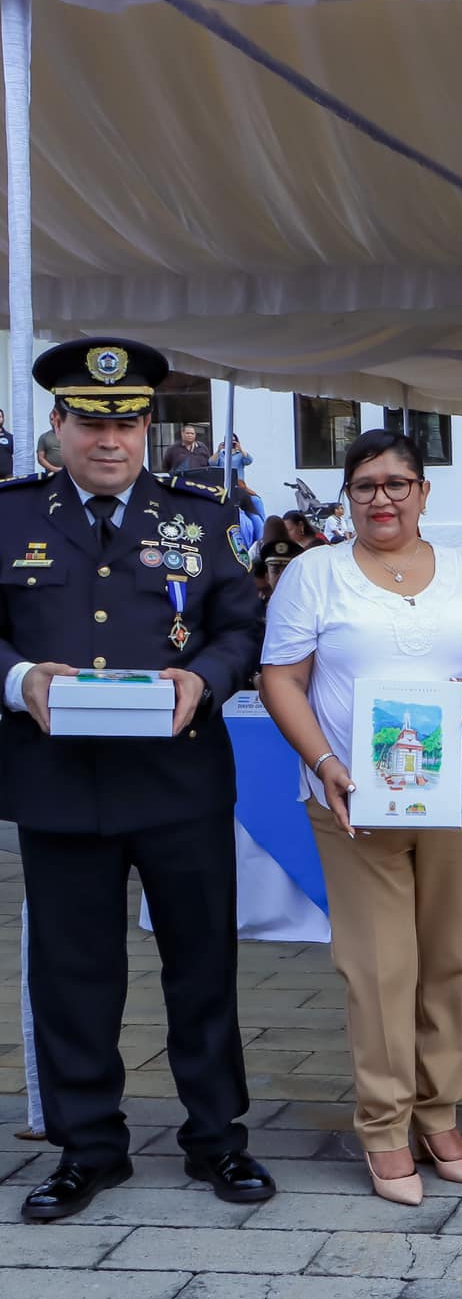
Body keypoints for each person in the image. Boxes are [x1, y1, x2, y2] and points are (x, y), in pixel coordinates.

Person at [0, 338, 272, 1220]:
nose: (107, 440)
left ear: (148, 424)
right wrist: (20, 678)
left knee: (202, 967)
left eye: (124, 421)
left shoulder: (201, 513)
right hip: (58, 781)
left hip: (178, 778)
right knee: (72, 974)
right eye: (88, 422)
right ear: (57, 425)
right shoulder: (9, 516)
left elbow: (243, 626)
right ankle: (88, 1149)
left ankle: (216, 1140)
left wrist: (207, 679)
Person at [259, 429, 462, 1204]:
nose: (383, 498)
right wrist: (326, 765)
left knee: (444, 961)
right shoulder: (315, 573)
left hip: (459, 794)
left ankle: (439, 1115)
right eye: (366, 484)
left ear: (424, 492)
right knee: (379, 968)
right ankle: (382, 1126)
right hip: (354, 798)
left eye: (399, 483)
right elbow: (280, 678)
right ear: (347, 495)